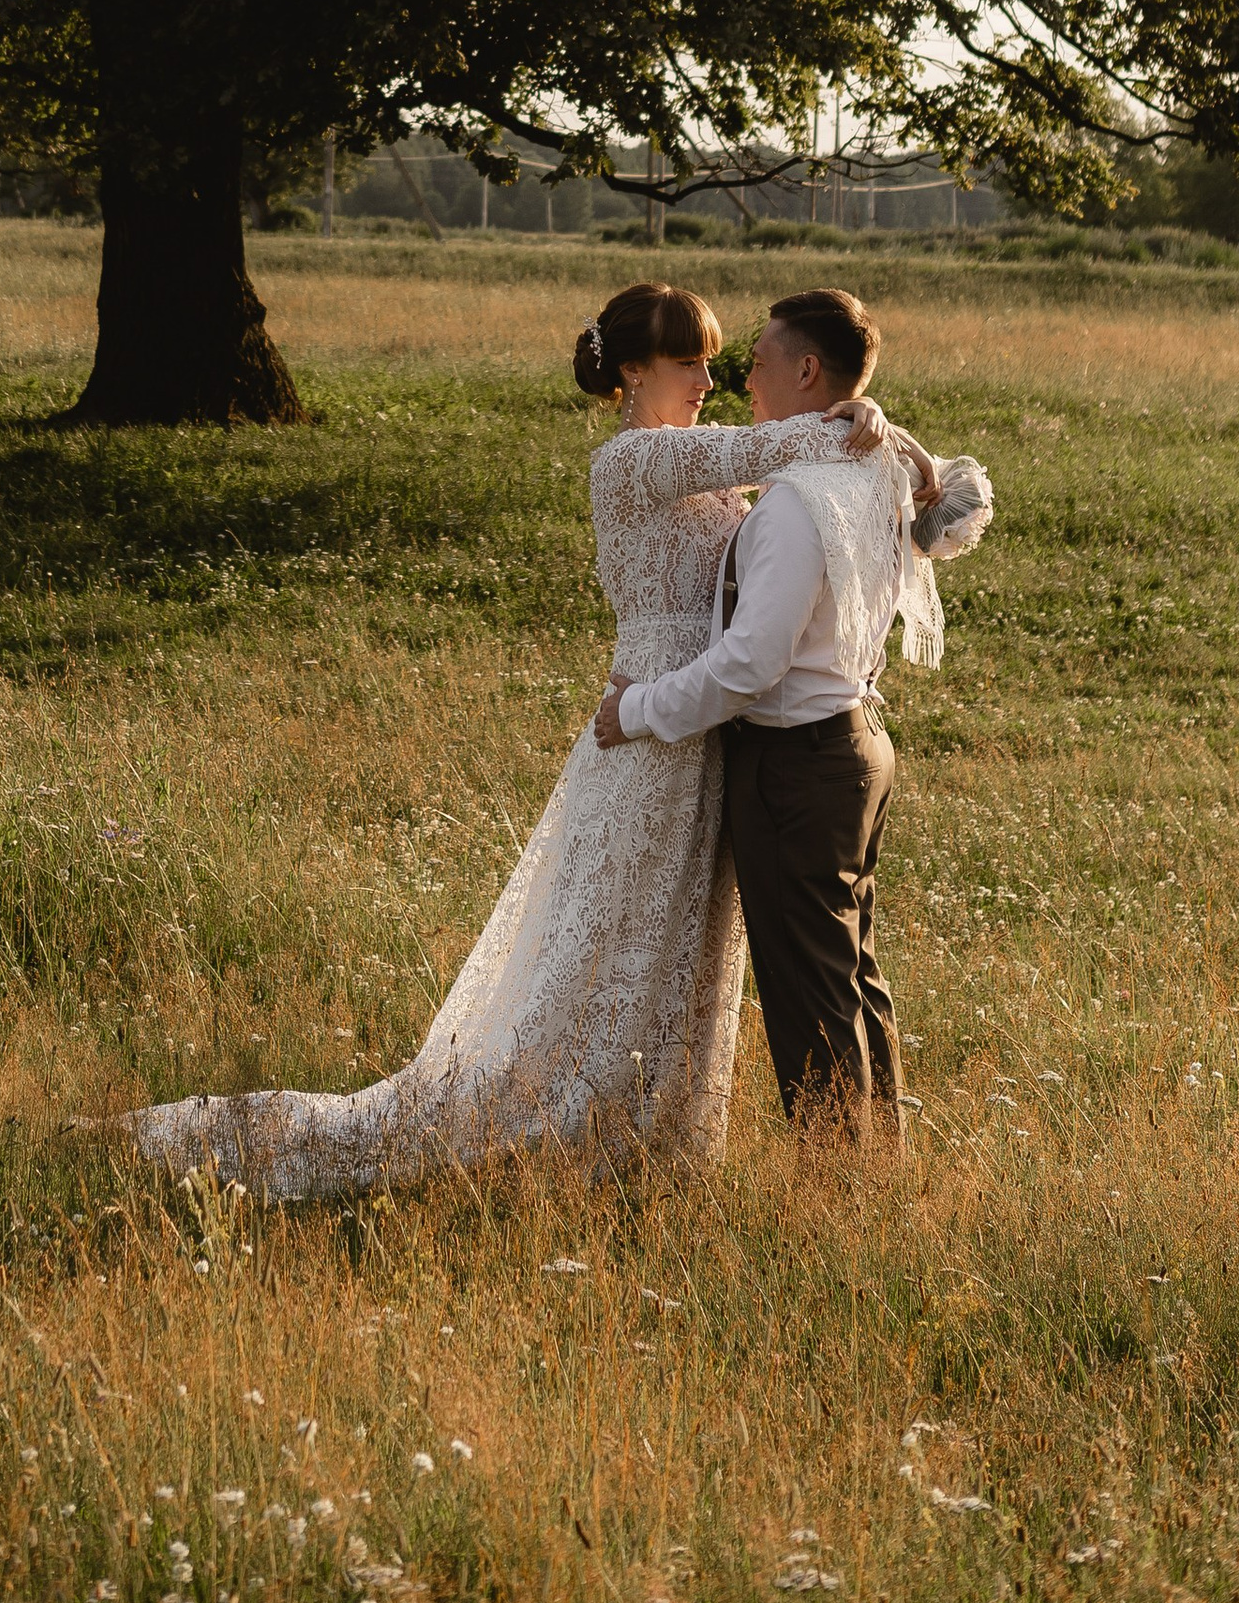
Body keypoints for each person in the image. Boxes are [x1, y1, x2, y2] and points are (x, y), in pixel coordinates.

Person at [124, 278, 978, 1199]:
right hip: (649, 729)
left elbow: (812, 458)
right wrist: (868, 418)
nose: (710, 378)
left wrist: (878, 422)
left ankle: (656, 1136)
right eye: (689, 360)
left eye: (714, 358)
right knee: (612, 944)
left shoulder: (713, 461)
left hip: (709, 735)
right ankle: (575, 1126)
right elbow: (790, 438)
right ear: (634, 371)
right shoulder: (631, 464)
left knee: (685, 946)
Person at [594, 285, 987, 1141]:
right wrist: (874, 421)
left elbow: (747, 664)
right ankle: (872, 1161)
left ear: (807, 370)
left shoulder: (797, 502)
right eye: (697, 362)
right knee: (848, 971)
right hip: (854, 744)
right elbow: (935, 499)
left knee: (810, 987)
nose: (734, 380)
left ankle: (840, 1180)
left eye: (756, 361)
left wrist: (639, 710)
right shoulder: (857, 472)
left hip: (795, 760)